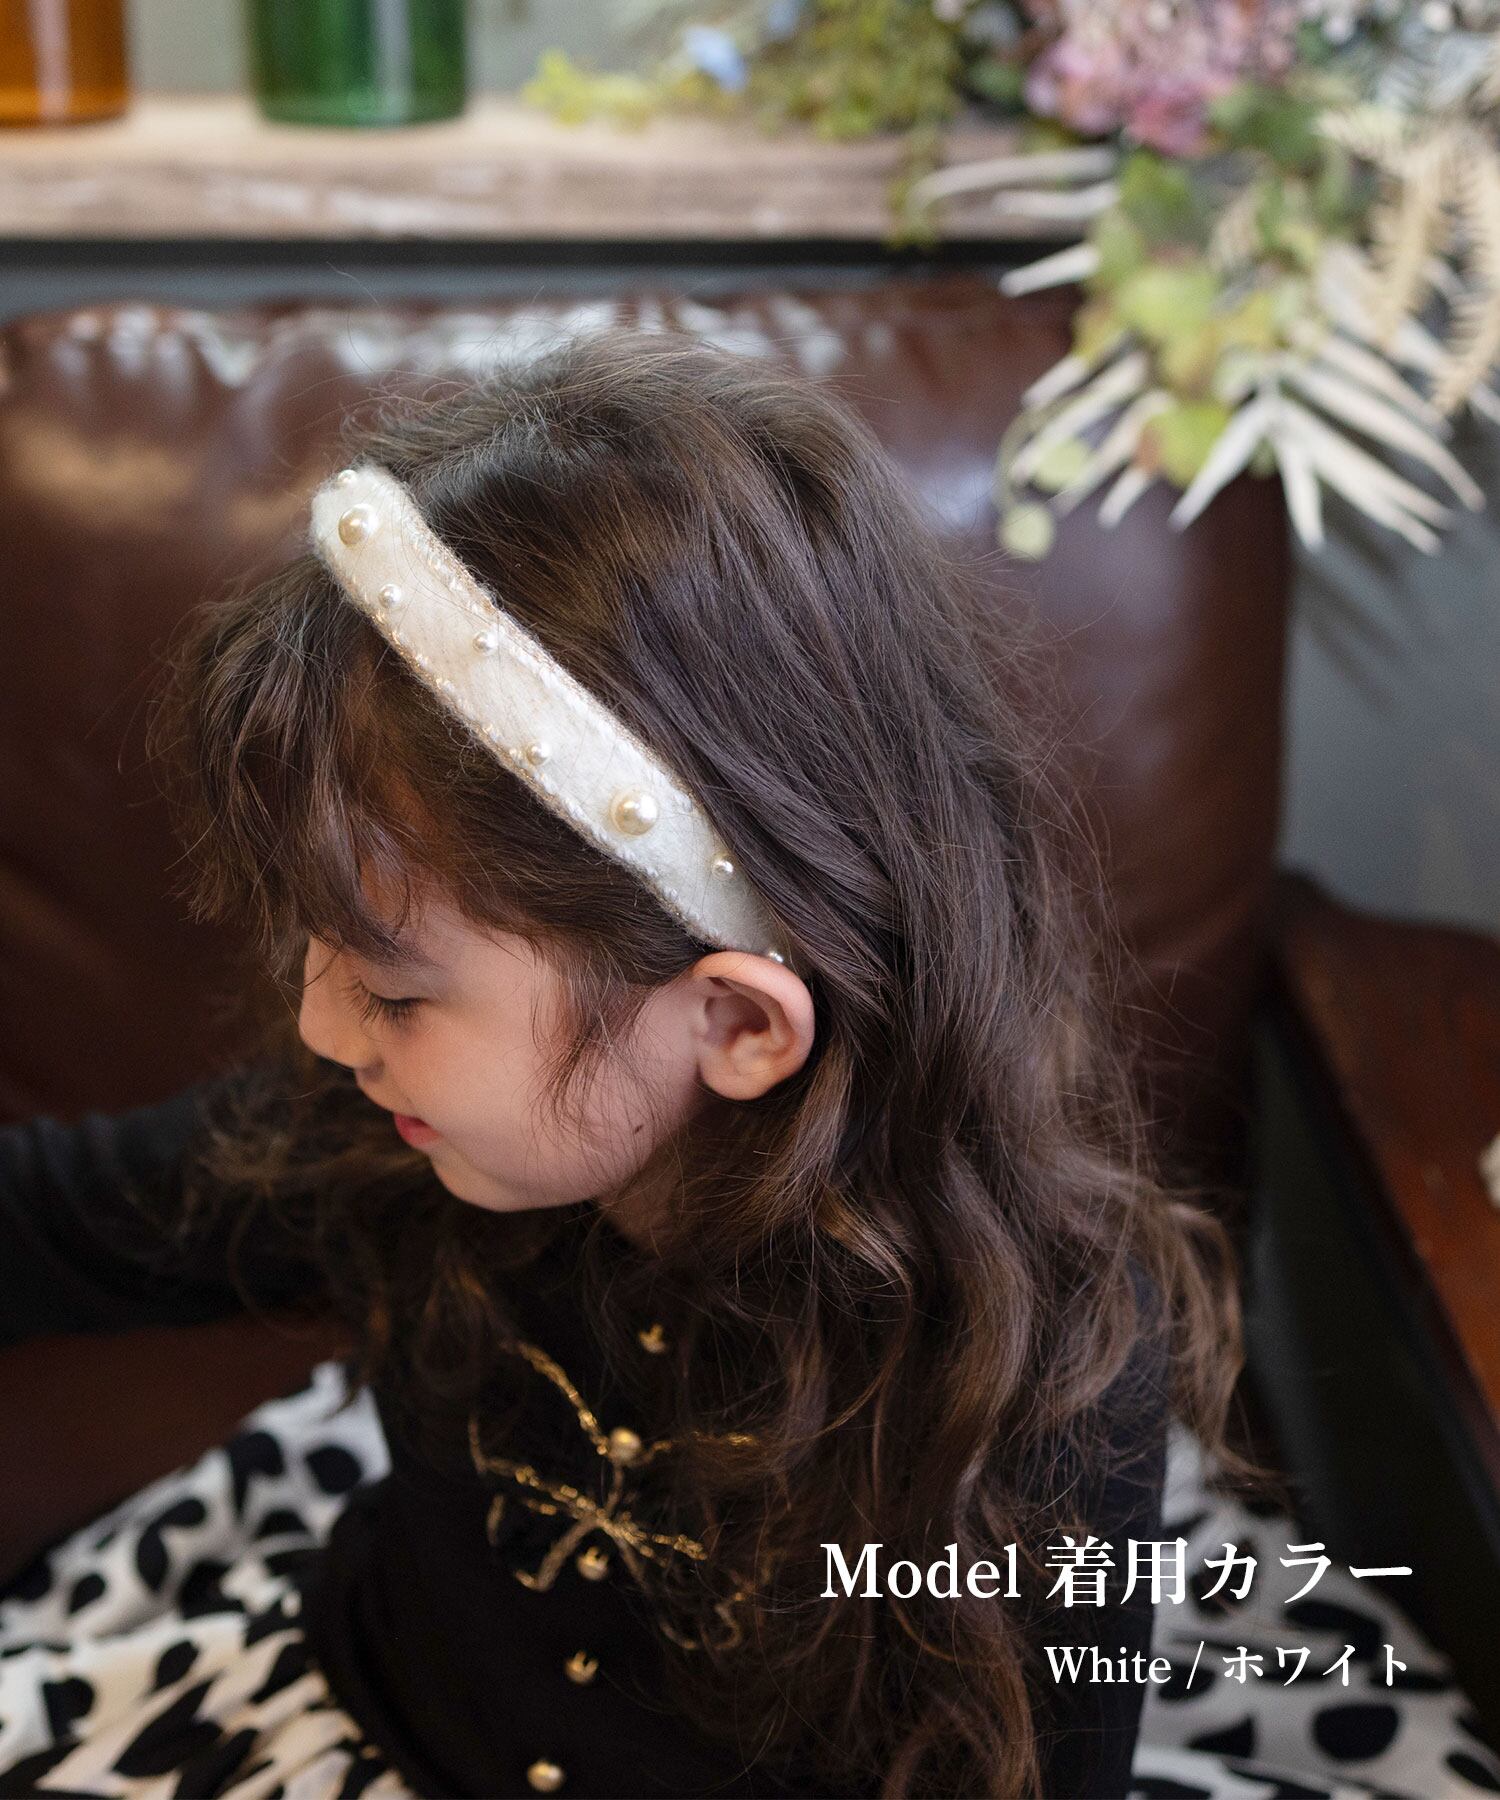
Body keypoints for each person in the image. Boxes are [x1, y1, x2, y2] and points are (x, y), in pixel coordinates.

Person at [0, 326, 1255, 1799]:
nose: (323, 1032)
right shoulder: (384, 1135)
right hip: (365, 1721)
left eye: (394, 992)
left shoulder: (1028, 1388)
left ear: (736, 1026)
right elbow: (59, 1220)